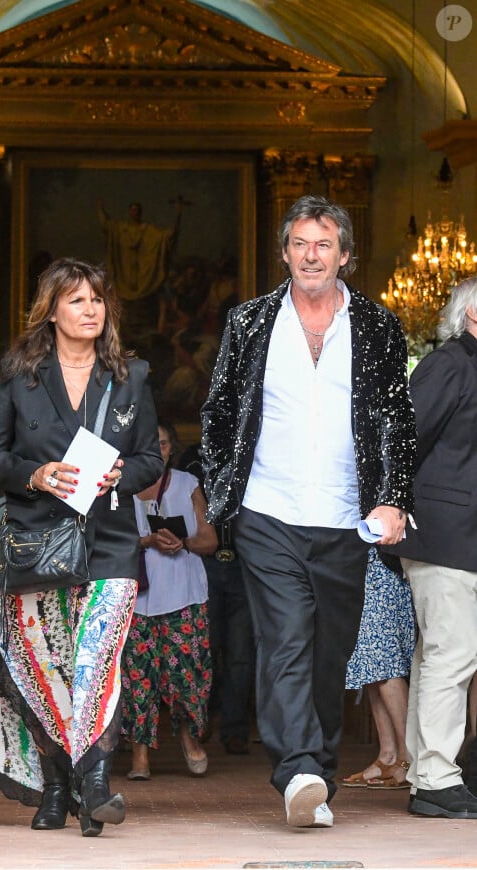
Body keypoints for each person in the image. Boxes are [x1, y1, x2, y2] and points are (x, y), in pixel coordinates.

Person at [201, 194, 417, 829]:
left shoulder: (378, 327)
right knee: (286, 637)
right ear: (285, 253)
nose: (311, 255)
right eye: (300, 243)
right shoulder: (249, 323)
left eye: (324, 244)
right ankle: (296, 767)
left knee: (331, 652)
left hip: (348, 517)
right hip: (268, 510)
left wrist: (393, 497)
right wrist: (227, 499)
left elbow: (397, 421)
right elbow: (218, 415)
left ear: (344, 256)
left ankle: (314, 779)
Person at [0, 258, 163, 837]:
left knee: (96, 659)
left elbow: (152, 458)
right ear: (51, 311)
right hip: (37, 543)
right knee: (46, 665)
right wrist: (37, 474)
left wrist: (123, 472)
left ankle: (94, 782)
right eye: (77, 300)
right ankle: (56, 785)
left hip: (112, 543)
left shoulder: (131, 377)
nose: (90, 310)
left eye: (97, 299)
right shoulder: (19, 377)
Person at [389, 277, 477, 819]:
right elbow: (404, 437)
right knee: (454, 654)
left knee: (439, 656)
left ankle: (429, 772)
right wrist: (393, 507)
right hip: (445, 533)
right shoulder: (450, 363)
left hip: (460, 536)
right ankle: (437, 777)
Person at [121, 420, 217, 780]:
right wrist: (146, 542)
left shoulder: (187, 484)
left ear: (171, 449)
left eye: (162, 444)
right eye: (150, 444)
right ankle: (140, 758)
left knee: (188, 674)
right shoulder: (120, 487)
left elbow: (210, 541)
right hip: (137, 598)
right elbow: (104, 543)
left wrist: (183, 542)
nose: (157, 451)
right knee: (137, 678)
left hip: (184, 595)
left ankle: (190, 740)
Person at [178, 441, 254, 755]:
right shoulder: (191, 459)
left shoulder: (251, 450)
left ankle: (235, 729)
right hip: (203, 564)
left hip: (243, 562)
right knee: (203, 648)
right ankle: (200, 724)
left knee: (240, 653)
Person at [342, 548, 416, 789]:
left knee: (386, 661)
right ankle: (388, 755)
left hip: (383, 563)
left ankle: (409, 757)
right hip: (361, 563)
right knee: (371, 666)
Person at [98, 199, 182, 344]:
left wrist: (178, 215)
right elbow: (107, 224)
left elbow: (166, 237)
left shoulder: (148, 230)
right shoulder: (120, 229)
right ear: (129, 212)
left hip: (143, 280)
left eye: (137, 210)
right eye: (133, 210)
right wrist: (100, 208)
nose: (135, 213)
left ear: (140, 213)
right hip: (124, 281)